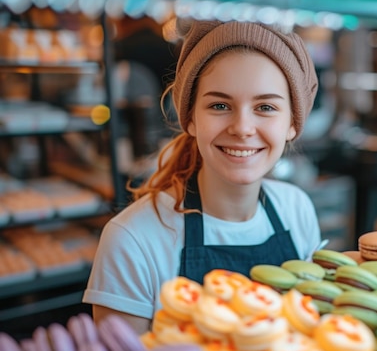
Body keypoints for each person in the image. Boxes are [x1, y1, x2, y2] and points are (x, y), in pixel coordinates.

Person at [83, 19, 321, 334]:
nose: (242, 128)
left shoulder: (296, 209)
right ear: (191, 119)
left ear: (293, 124)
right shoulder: (133, 240)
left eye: (265, 107)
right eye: (220, 105)